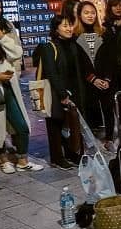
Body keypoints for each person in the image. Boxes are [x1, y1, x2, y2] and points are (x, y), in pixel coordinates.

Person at [0, 15, 42, 173]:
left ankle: (23, 160)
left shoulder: (0, 45)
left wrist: (2, 37)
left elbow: (17, 53)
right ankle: (2, 159)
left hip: (9, 90)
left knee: (21, 126)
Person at [34, 15, 87, 169]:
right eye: (64, 26)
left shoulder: (73, 45)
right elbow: (51, 73)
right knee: (55, 125)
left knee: (70, 123)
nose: (69, 28)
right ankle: (57, 157)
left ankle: (71, 153)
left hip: (73, 89)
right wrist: (62, 94)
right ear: (56, 29)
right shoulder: (48, 47)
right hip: (55, 92)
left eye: (70, 25)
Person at [74, 1, 116, 149]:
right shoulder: (75, 35)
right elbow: (78, 62)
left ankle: (109, 138)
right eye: (86, 13)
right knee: (89, 108)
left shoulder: (105, 33)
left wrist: (107, 78)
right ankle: (89, 139)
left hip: (106, 79)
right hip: (87, 81)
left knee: (108, 109)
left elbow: (111, 58)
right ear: (79, 15)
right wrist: (92, 79)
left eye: (92, 12)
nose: (90, 15)